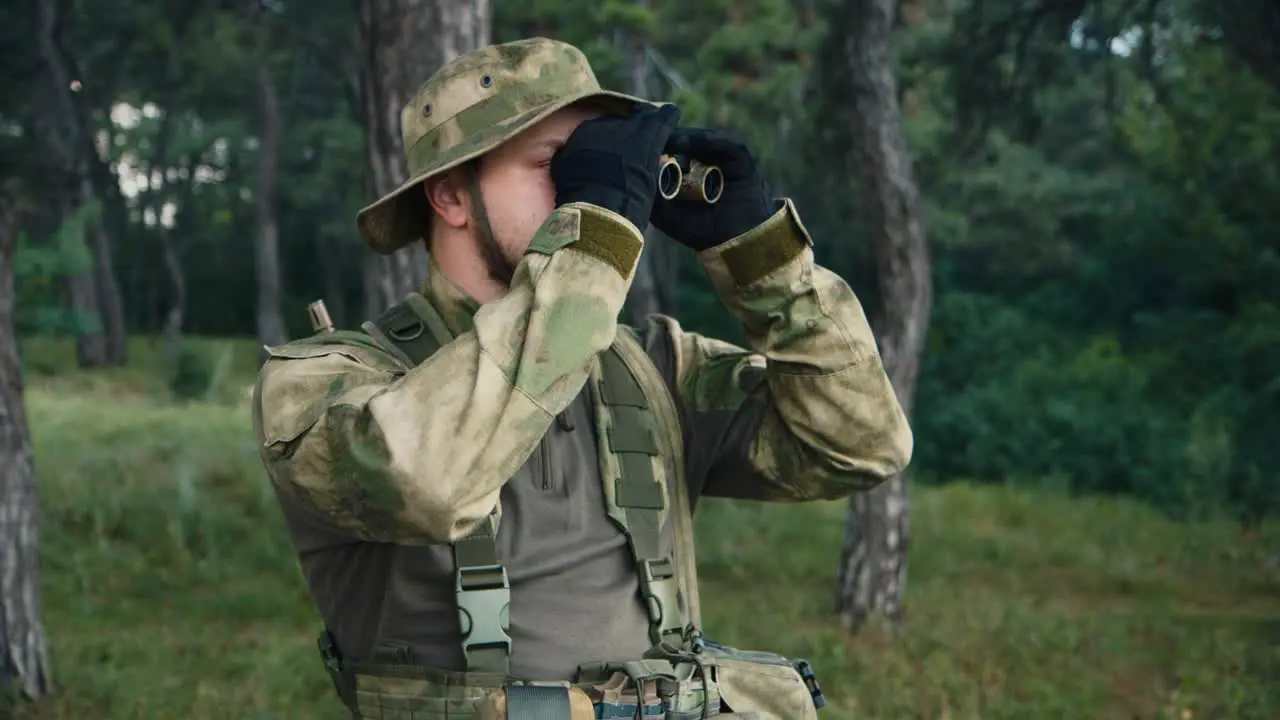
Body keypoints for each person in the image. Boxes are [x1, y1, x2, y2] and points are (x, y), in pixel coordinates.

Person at [251, 36, 912, 720]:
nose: (588, 190)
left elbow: (860, 444)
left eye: (597, 166)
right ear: (450, 195)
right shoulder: (329, 382)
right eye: (558, 166)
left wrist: (763, 260)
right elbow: (428, 481)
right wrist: (591, 235)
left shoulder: (651, 367)